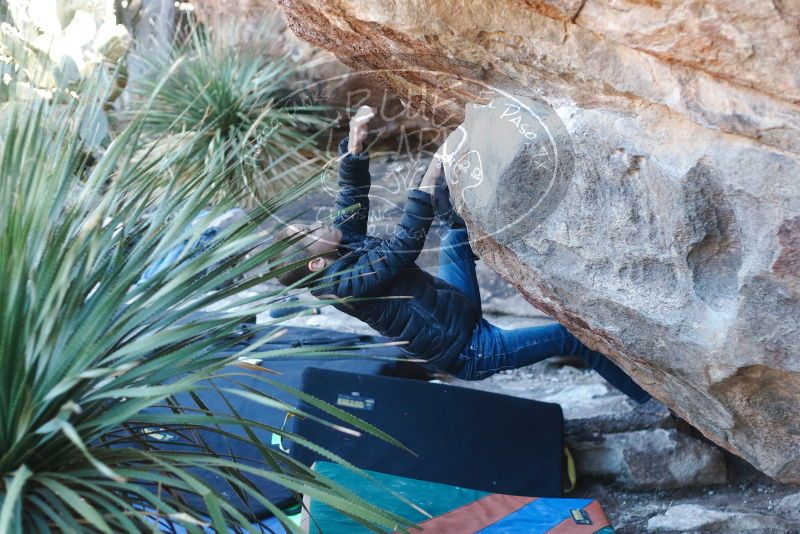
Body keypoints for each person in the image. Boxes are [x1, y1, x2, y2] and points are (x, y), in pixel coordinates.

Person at [276, 106, 650, 403]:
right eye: (310, 233)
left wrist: (355, 145)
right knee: (572, 339)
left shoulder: (344, 244)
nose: (319, 223)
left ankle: (479, 182)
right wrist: (430, 176)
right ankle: (651, 401)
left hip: (458, 309)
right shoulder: (345, 285)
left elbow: (350, 200)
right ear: (316, 263)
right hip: (470, 351)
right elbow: (401, 251)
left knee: (457, 234)